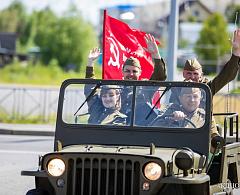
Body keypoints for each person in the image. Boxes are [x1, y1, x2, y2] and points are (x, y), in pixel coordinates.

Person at [86, 34, 167, 123]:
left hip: (136, 131)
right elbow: (91, 94)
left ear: (140, 73)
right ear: (123, 72)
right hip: (116, 129)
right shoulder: (115, 89)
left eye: (134, 71)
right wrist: (90, 63)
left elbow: (159, 77)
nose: (131, 74)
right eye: (127, 71)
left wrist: (156, 54)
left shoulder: (144, 89)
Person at [169, 29, 240, 104]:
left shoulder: (207, 89)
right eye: (189, 73)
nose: (192, 77)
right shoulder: (177, 90)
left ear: (201, 75)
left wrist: (236, 53)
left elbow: (227, 76)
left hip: (203, 116)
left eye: (195, 74)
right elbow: (171, 108)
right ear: (183, 74)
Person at [151, 87, 219, 138]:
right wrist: (171, 119)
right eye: (188, 96)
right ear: (180, 98)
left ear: (200, 98)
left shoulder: (205, 116)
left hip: (196, 152)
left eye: (195, 97)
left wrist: (216, 141)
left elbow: (214, 139)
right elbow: (153, 128)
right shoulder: (170, 110)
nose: (192, 100)